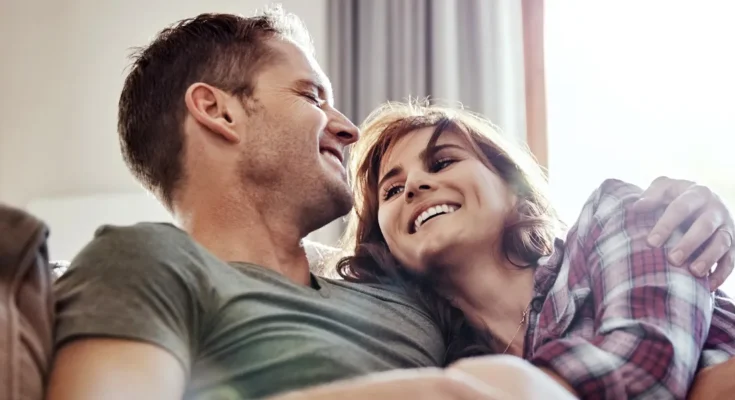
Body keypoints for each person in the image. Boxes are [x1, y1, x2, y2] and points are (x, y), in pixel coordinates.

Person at [47, 7, 734, 400]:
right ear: (217, 111)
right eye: (311, 96)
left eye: (438, 164)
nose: (346, 129)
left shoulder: (400, 298)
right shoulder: (144, 260)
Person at [338, 100, 735, 399]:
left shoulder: (619, 214)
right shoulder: (441, 357)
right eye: (391, 190)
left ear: (512, 189)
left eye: (442, 163)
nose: (413, 187)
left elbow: (646, 367)